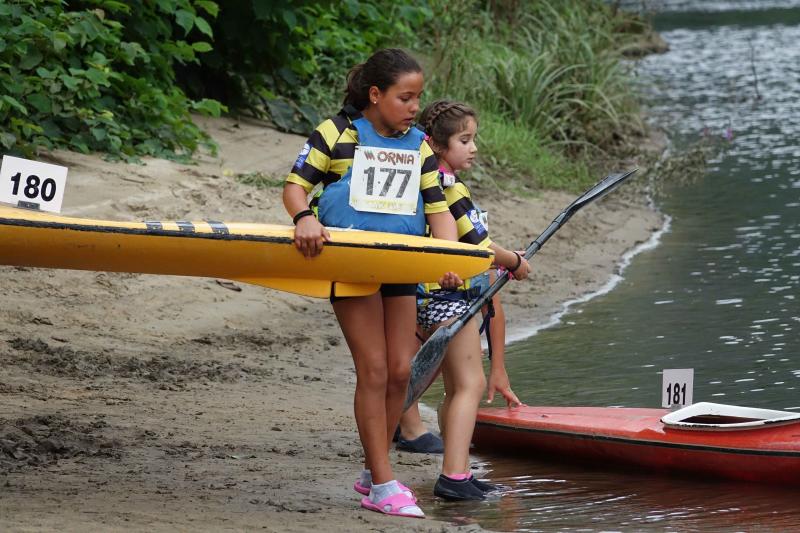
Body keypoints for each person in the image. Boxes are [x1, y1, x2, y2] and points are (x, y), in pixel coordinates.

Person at [283, 49, 460, 519]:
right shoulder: (334, 133)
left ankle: (372, 467)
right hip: (351, 265)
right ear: (376, 94)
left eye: (418, 97)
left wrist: (448, 259)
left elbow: (439, 212)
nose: (414, 106)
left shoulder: (421, 145)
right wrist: (303, 218)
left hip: (401, 268)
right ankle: (383, 483)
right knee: (376, 369)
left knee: (402, 371)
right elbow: (295, 186)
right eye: (406, 97)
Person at [414, 99, 531, 501]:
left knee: (452, 388)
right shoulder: (447, 185)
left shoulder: (430, 182)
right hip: (447, 297)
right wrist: (515, 260)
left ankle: (458, 467)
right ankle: (454, 477)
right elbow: (478, 244)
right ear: (439, 145)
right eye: (465, 140)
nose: (473, 147)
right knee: (470, 383)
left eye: (473, 139)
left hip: (431, 297)